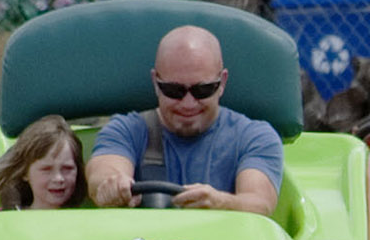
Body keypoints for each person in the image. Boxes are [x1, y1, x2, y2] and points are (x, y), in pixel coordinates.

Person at [86, 24, 283, 213]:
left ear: (222, 83)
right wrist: (112, 186)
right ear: (156, 83)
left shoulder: (254, 137)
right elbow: (102, 172)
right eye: (174, 90)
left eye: (202, 90)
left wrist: (221, 203)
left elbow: (260, 203)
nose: (188, 104)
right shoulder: (126, 130)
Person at [0, 114, 86, 210]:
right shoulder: (10, 218)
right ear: (25, 172)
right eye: (46, 169)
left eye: (67, 168)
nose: (58, 178)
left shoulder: (85, 219)